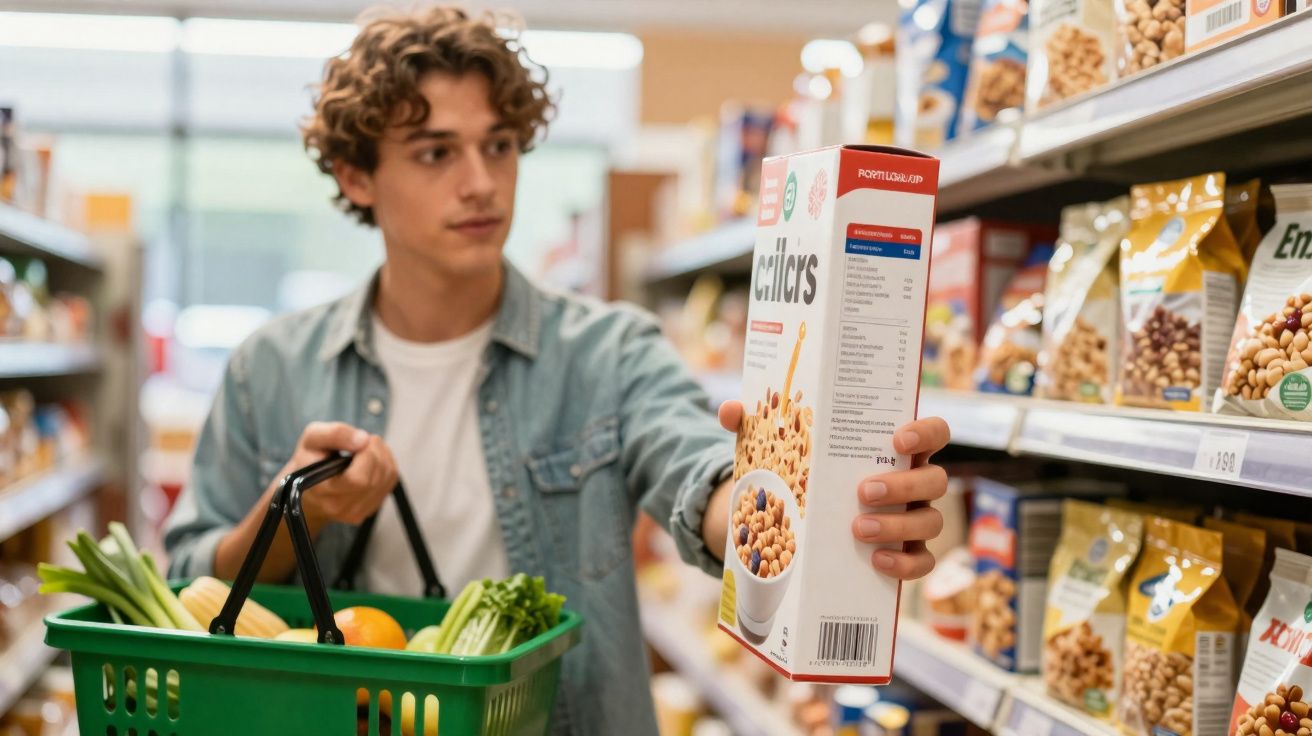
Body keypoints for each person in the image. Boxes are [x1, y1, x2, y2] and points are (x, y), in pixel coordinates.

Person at [163, 7, 951, 735]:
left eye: (499, 144)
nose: (481, 181)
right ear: (355, 175)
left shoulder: (609, 352)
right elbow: (188, 584)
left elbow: (693, 468)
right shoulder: (267, 371)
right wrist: (291, 506)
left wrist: (808, 506)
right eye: (436, 152)